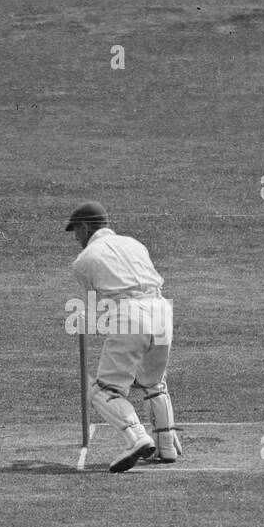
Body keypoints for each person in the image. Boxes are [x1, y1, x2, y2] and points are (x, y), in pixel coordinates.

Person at [67, 201, 180, 472]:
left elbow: (98, 313)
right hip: (163, 309)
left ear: (84, 227)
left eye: (75, 232)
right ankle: (166, 444)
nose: (75, 238)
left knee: (102, 390)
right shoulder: (135, 243)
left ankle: (136, 438)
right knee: (153, 382)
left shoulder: (85, 260)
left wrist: (86, 322)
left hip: (129, 314)